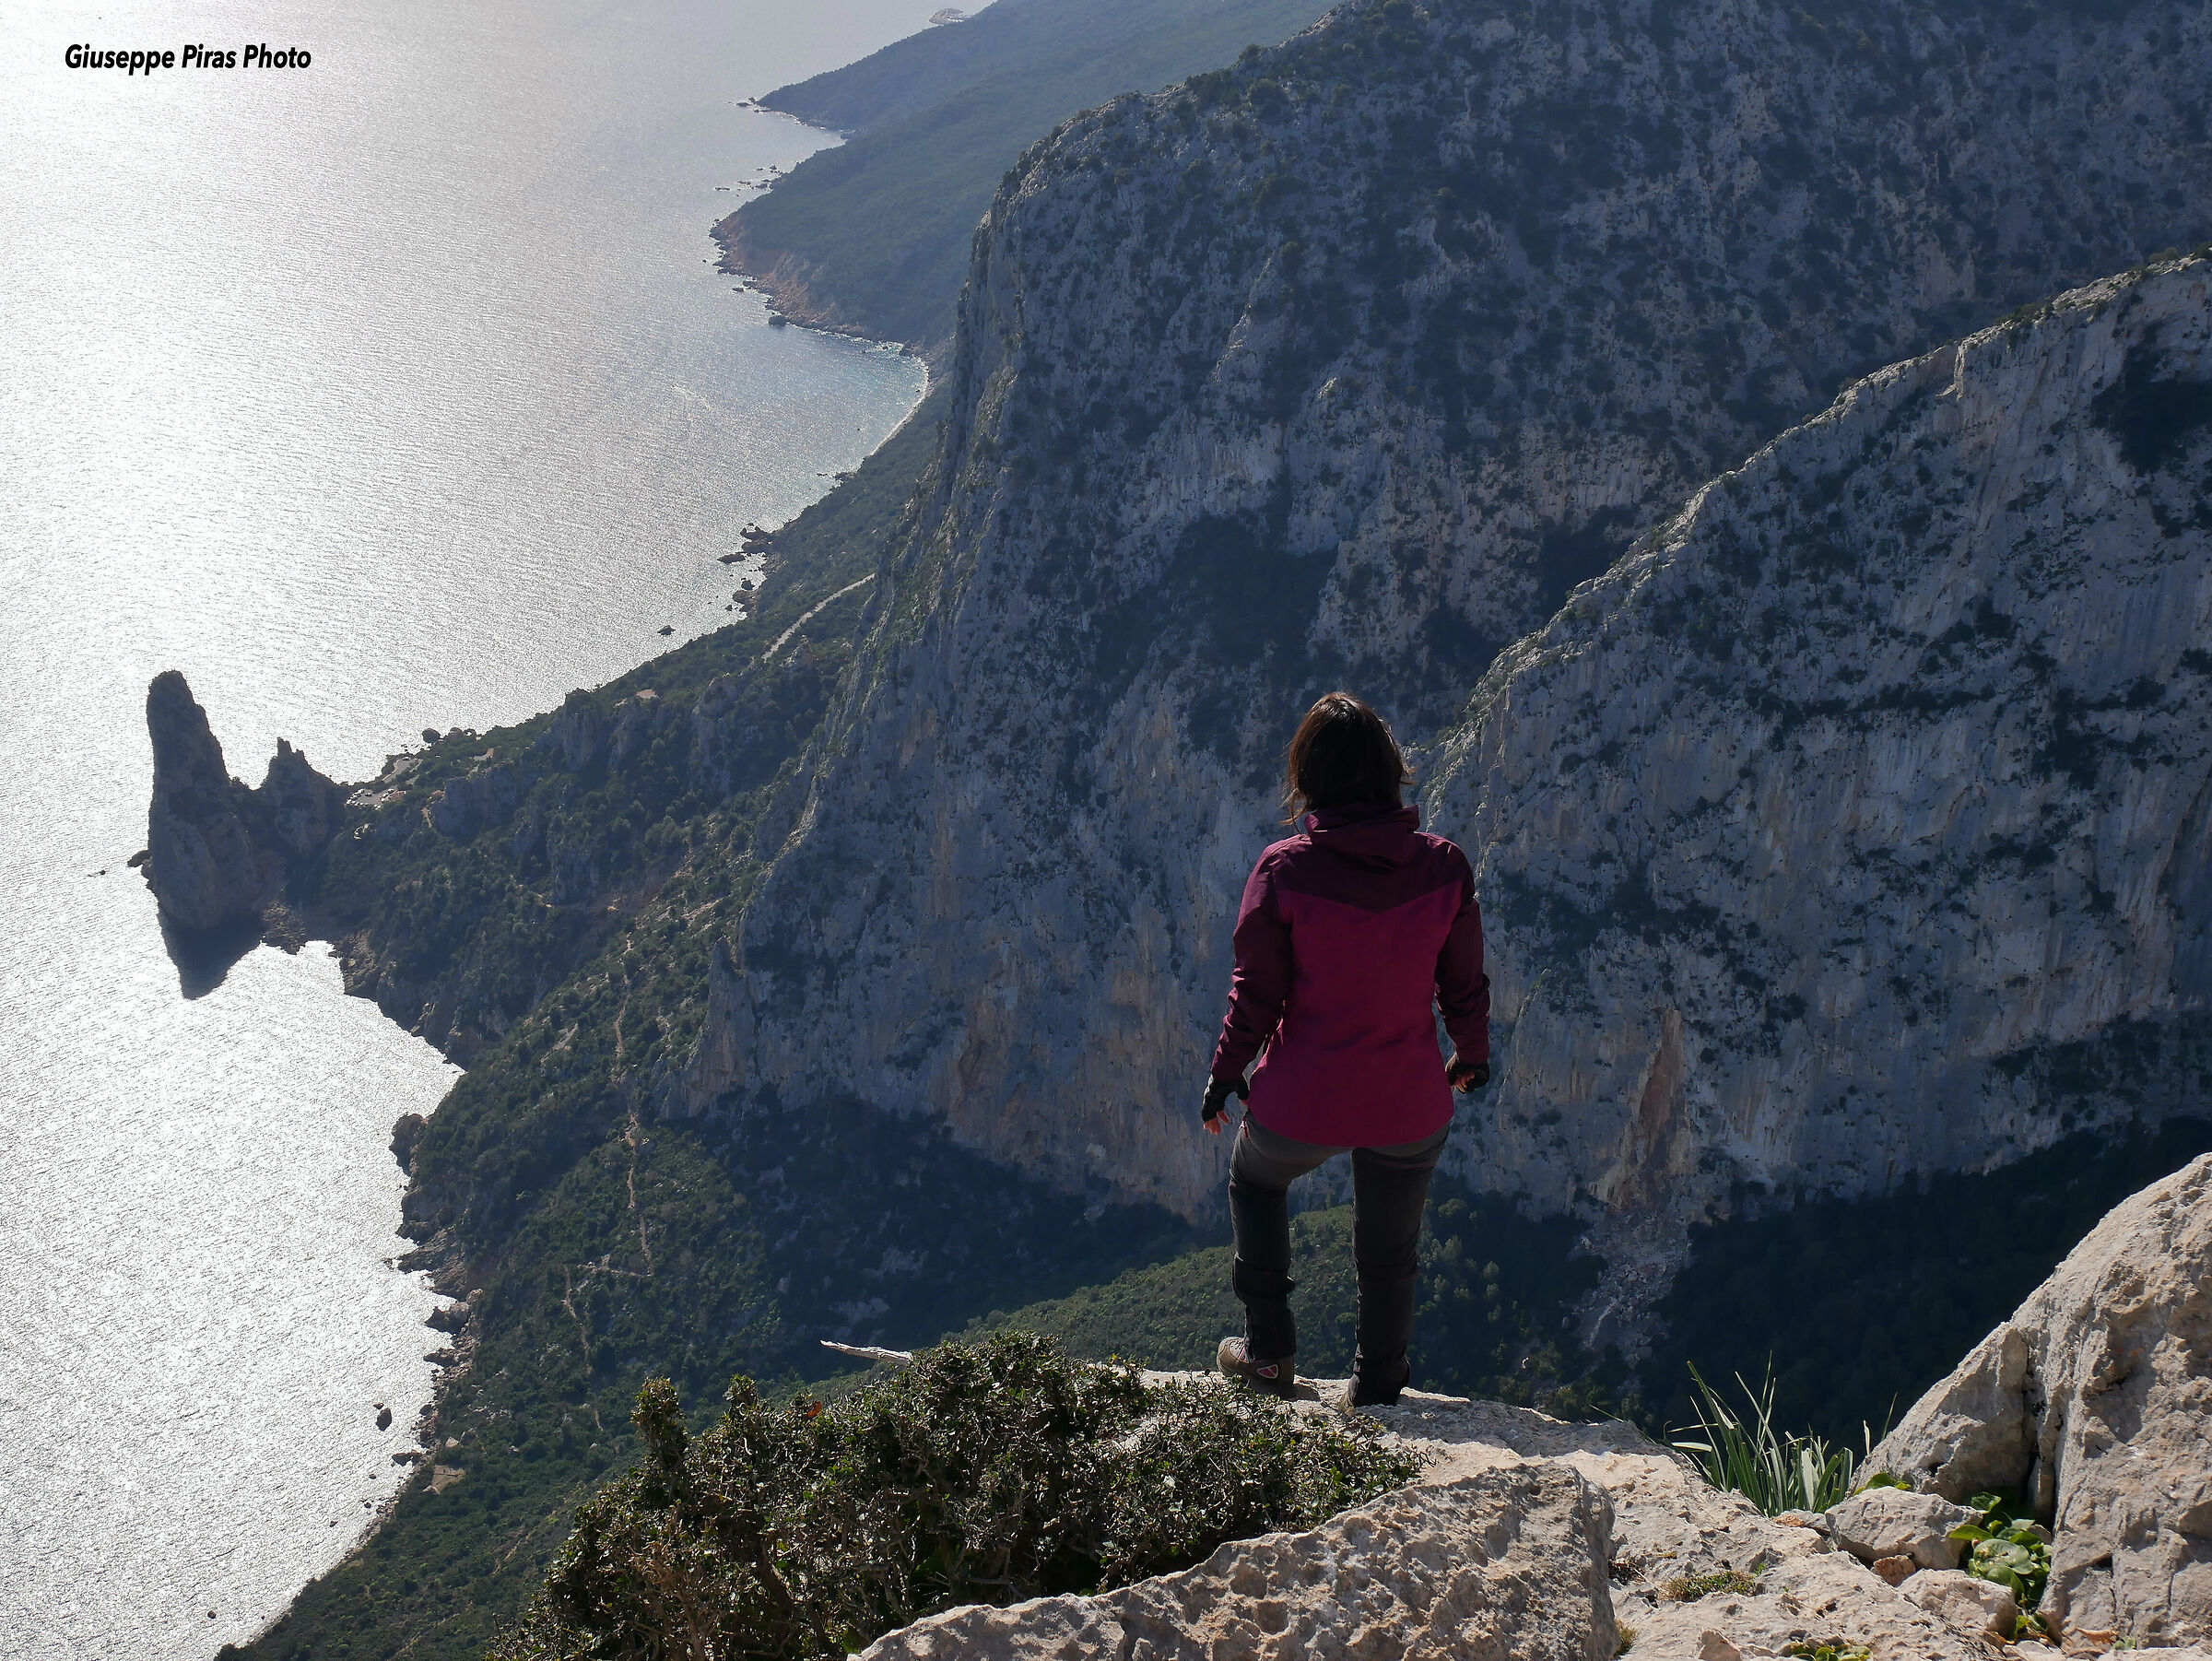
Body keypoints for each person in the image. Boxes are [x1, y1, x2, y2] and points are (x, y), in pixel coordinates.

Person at [1202, 690, 1490, 1411]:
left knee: (1254, 1181)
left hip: (1304, 1101)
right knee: (1390, 1251)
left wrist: (1225, 1074)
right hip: (1409, 1101)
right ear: (1393, 773)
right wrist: (1471, 1056)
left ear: (1309, 778)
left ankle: (1268, 1355)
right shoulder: (1444, 867)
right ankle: (1380, 1385)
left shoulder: (1284, 871)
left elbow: (1255, 993)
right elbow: (1465, 986)